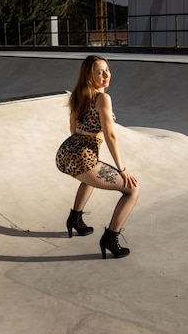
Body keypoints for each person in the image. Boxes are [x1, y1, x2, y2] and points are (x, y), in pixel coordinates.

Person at [55, 55, 140, 259]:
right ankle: (111, 237)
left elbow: (73, 128)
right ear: (89, 75)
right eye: (99, 72)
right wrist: (122, 168)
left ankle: (75, 219)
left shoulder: (78, 95)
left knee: (90, 178)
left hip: (65, 154)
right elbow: (110, 135)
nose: (105, 75)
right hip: (84, 157)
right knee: (133, 190)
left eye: (107, 70)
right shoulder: (103, 98)